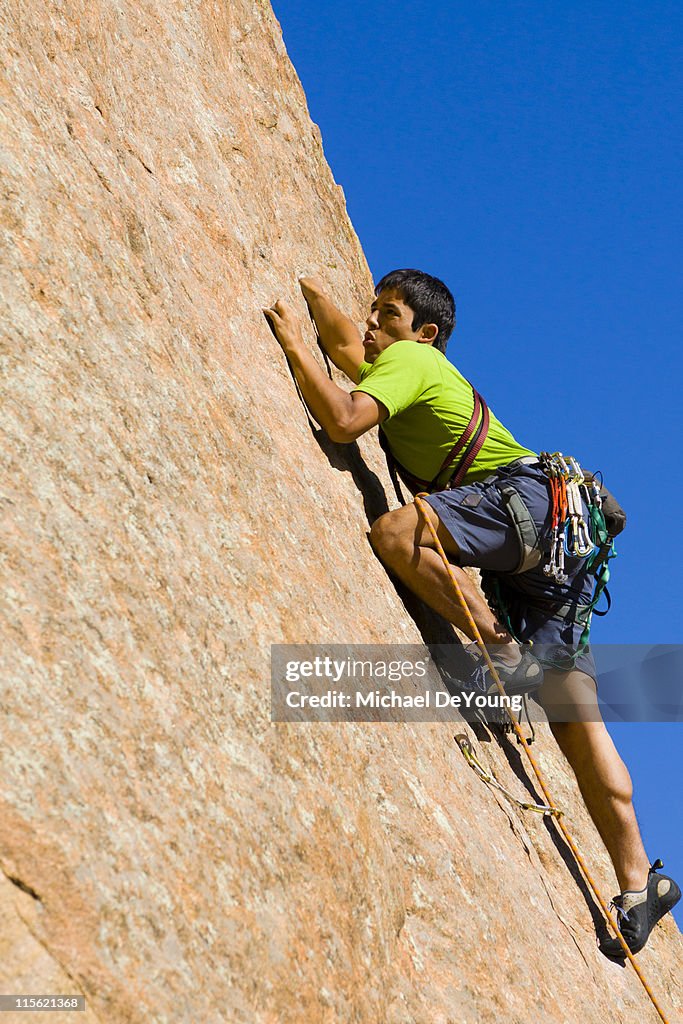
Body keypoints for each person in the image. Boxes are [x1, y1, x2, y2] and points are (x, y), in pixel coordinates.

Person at [264, 269, 680, 956]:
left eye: (387, 314)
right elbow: (351, 346)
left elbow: (343, 415)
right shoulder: (403, 360)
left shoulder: (413, 359)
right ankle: (638, 882)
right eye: (372, 313)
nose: (371, 326)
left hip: (523, 508)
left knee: (397, 534)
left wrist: (291, 345)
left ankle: (499, 651)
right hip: (564, 540)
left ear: (425, 334)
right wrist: (315, 296)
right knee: (575, 717)